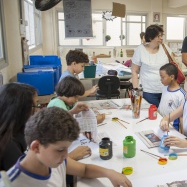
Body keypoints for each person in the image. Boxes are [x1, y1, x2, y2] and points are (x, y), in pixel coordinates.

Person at [0, 107, 132, 187]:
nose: (65, 155)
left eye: (67, 149)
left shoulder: (53, 162)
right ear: (36, 147)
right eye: (60, 150)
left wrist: (110, 173)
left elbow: (84, 169)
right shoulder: (11, 184)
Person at [48, 76, 104, 161]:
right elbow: (64, 120)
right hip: (54, 146)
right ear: (66, 93)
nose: (76, 100)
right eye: (75, 97)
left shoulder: (66, 102)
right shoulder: (57, 102)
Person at [131, 24, 172, 107]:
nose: (161, 38)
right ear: (150, 38)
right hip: (147, 91)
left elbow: (174, 66)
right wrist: (136, 91)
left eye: (161, 35)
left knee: (165, 114)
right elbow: (134, 71)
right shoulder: (140, 50)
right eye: (158, 36)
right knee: (153, 115)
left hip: (165, 90)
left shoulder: (165, 48)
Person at [0, 83, 38, 171]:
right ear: (21, 110)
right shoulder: (8, 145)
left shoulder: (17, 130)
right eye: (34, 106)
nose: (36, 110)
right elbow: (25, 176)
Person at [158, 63, 186, 131]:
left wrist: (182, 133)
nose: (160, 79)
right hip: (161, 122)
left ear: (172, 77)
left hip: (171, 127)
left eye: (163, 77)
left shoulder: (181, 95)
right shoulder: (164, 88)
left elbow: (182, 117)